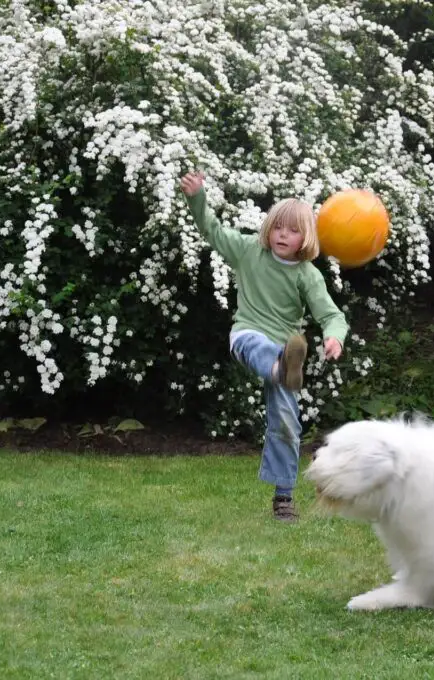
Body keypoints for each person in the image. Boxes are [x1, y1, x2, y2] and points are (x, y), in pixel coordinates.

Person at [179, 171, 348, 522]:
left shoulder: (307, 275)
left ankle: (283, 497)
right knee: (260, 346)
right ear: (268, 229)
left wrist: (334, 336)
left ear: (306, 238)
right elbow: (211, 229)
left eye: (292, 230)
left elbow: (331, 314)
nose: (283, 235)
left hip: (284, 355)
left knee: (287, 421)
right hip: (247, 337)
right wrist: (197, 197)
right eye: (277, 227)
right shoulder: (248, 252)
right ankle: (279, 367)